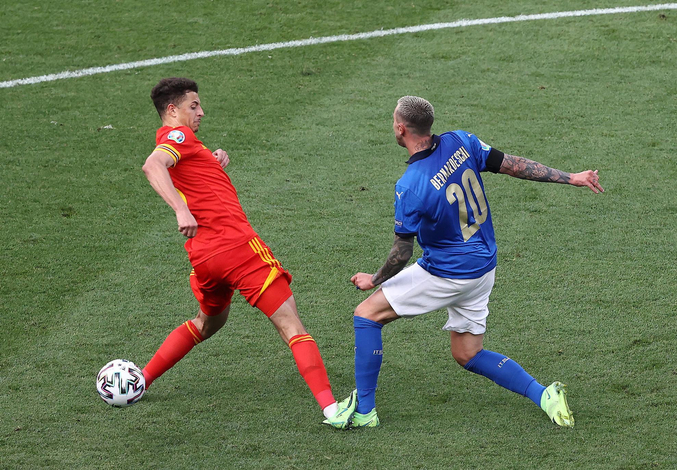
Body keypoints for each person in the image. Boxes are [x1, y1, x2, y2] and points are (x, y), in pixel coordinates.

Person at [328, 95, 604, 429]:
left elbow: (402, 253)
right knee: (467, 353)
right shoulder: (461, 141)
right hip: (484, 268)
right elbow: (513, 164)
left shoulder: (410, 186)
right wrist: (571, 177)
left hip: (448, 273)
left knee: (367, 315)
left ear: (401, 129)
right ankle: (545, 395)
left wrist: (374, 279)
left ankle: (364, 412)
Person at [140, 77, 349, 423]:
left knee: (207, 323)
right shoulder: (177, 136)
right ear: (172, 110)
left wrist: (212, 161)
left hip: (204, 258)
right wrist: (180, 209)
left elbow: (190, 176)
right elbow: (152, 166)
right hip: (237, 248)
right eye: (194, 106)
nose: (201, 112)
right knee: (291, 325)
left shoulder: (183, 143)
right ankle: (332, 409)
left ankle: (140, 381)